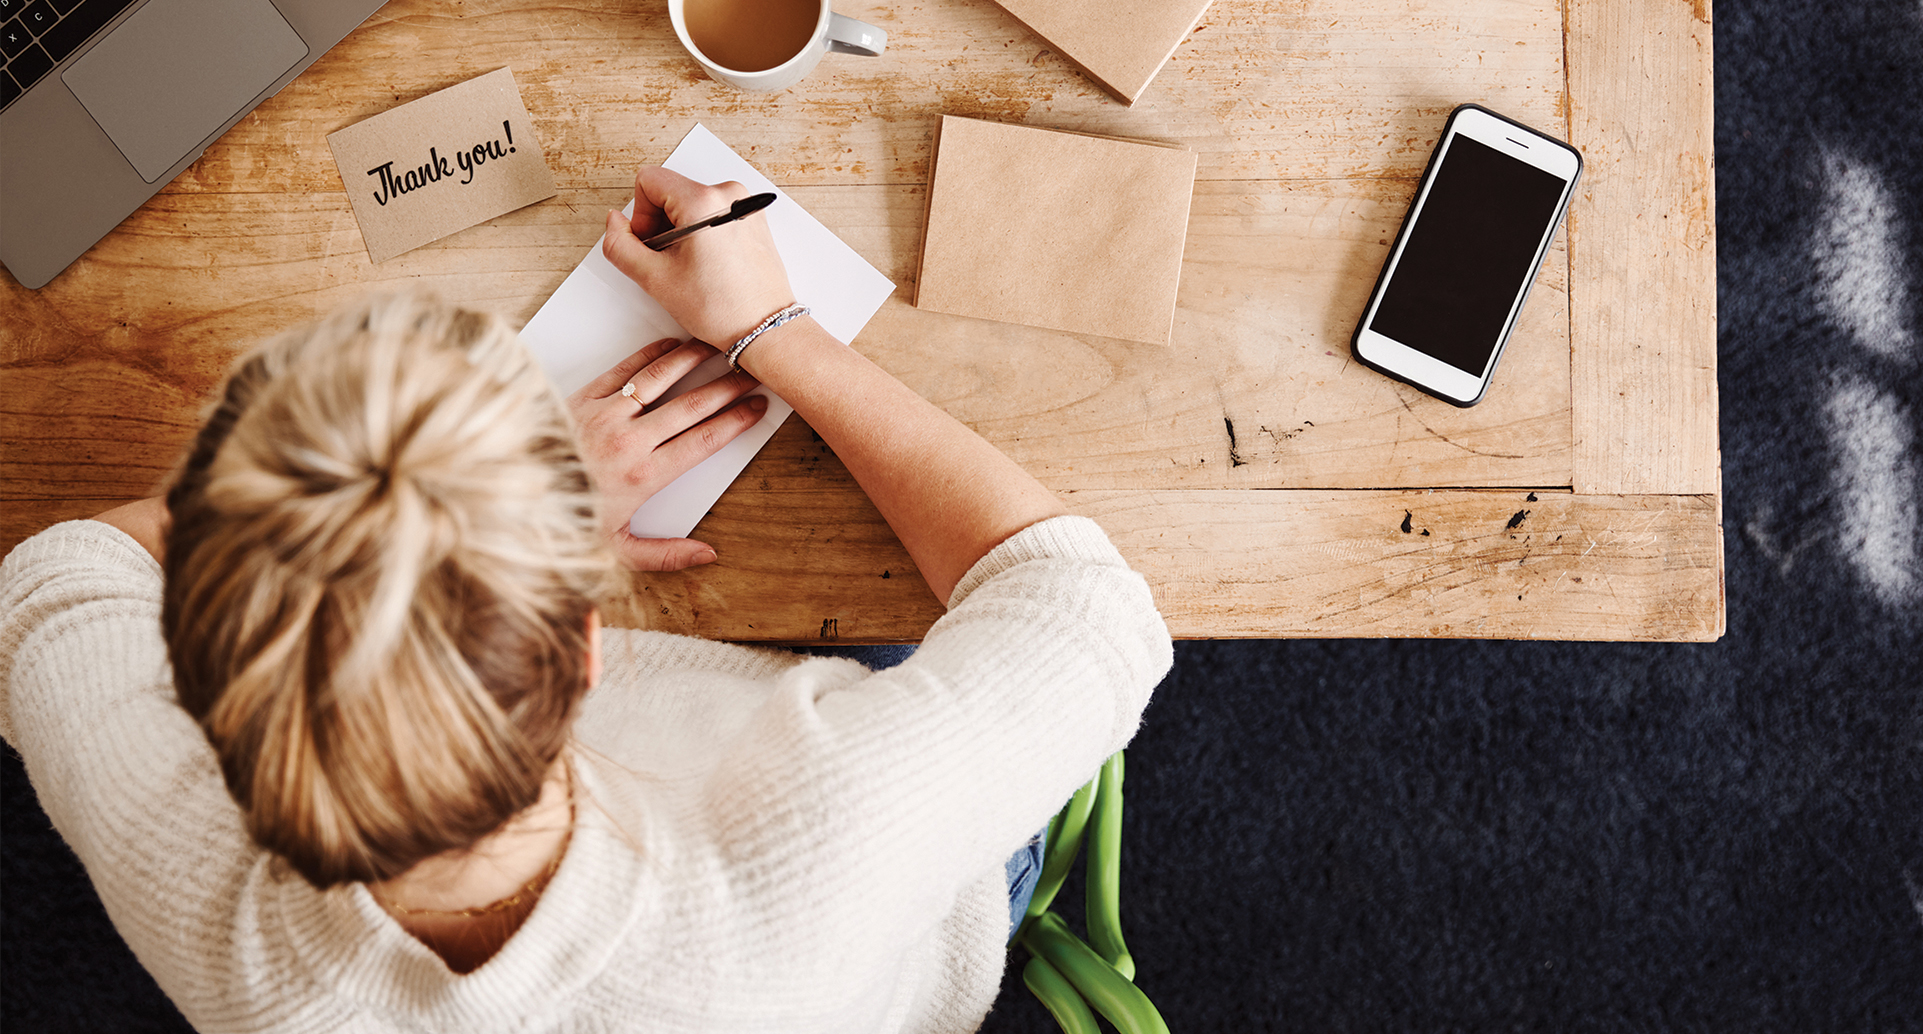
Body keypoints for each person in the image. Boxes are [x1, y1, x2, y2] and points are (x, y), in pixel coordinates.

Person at [0, 167, 1173, 1032]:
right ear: (582, 643)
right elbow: (1087, 604)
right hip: (891, 930)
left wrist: (473, 514)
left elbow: (47, 589)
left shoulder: (204, 892)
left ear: (206, 691)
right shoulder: (820, 835)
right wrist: (771, 327)